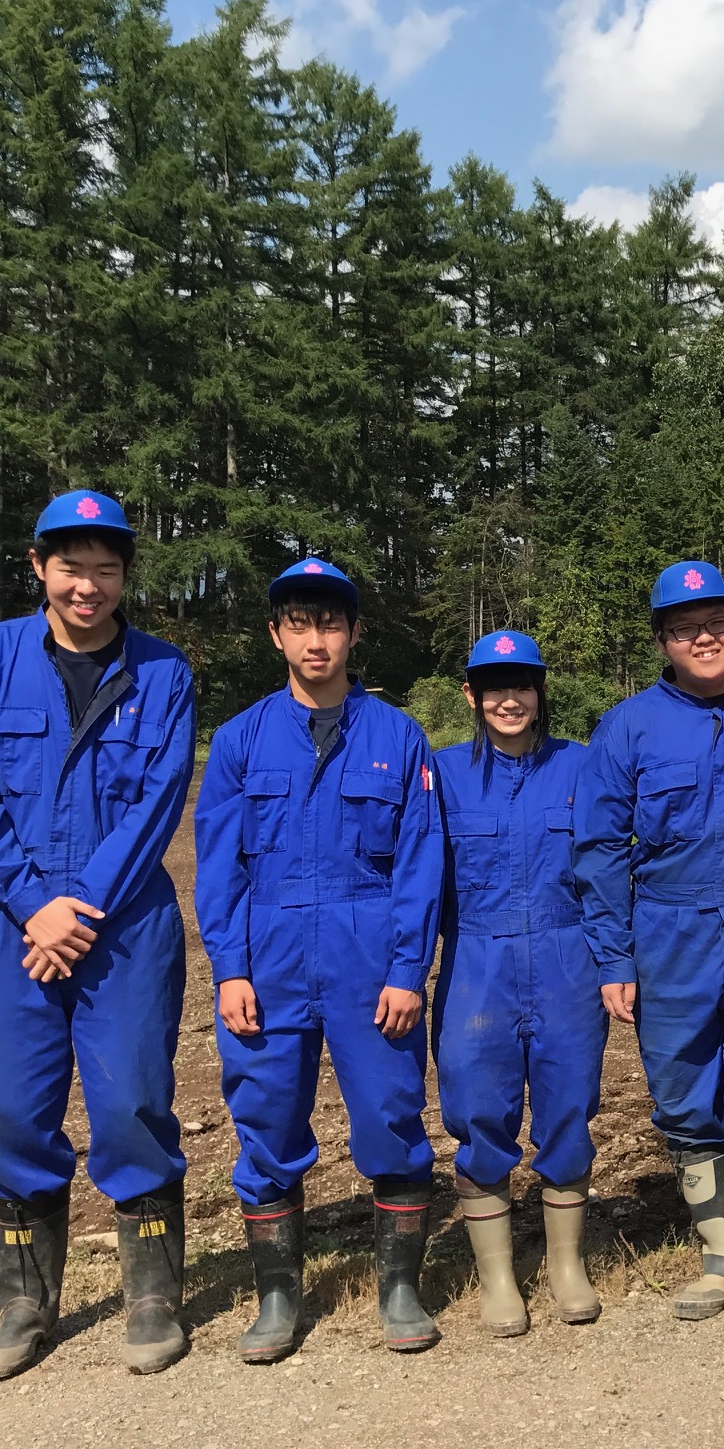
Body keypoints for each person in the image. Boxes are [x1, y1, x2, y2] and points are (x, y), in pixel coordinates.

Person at [0, 489, 196, 1379]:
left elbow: (157, 802)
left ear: (125, 575)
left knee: (131, 1101)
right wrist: (33, 903)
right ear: (40, 567)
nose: (88, 586)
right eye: (71, 566)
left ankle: (155, 1296)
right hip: (1, 914)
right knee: (6, 1103)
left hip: (119, 916)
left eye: (106, 568)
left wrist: (77, 907)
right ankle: (25, 1304)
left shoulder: (163, 671)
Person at [194, 559, 444, 1360]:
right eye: (298, 623)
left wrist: (408, 969)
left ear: (354, 633)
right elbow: (218, 866)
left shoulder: (399, 737)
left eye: (330, 623)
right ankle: (277, 1298)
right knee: (265, 1121)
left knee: (391, 1118)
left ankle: (400, 1289)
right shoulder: (238, 741)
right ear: (275, 634)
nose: (316, 640)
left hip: (371, 960)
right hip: (266, 963)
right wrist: (229, 968)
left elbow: (419, 862)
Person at [572, 562, 724, 1330]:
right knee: (684, 1101)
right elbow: (600, 848)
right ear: (663, 640)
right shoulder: (627, 726)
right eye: (684, 627)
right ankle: (721, 1256)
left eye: (715, 621)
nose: (703, 636)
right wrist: (615, 957)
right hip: (669, 936)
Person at [432, 630, 606, 1335]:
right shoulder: (440, 774)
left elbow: (607, 867)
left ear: (540, 693)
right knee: (477, 1107)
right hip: (477, 958)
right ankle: (498, 1276)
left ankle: (566, 1266)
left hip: (569, 957)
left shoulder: (582, 768)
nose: (510, 699)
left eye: (523, 685)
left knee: (569, 1103)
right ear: (472, 695)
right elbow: (415, 879)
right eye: (494, 686)